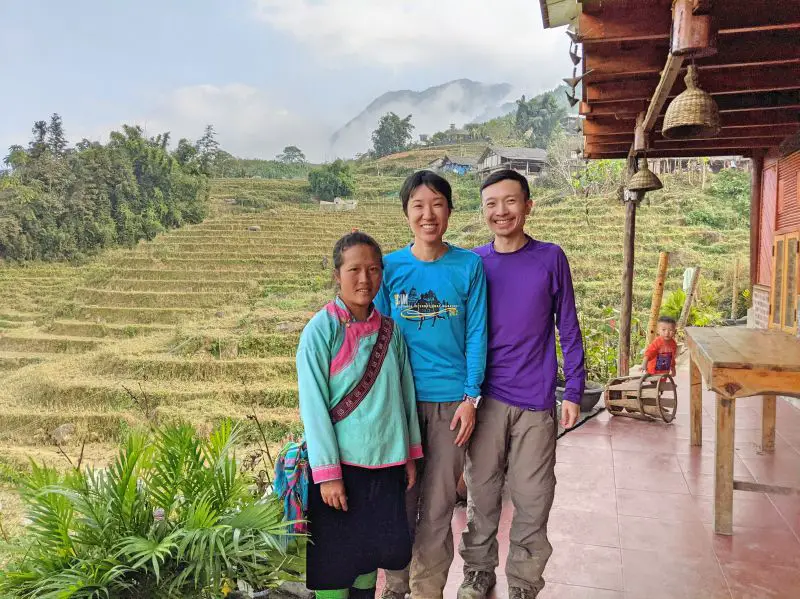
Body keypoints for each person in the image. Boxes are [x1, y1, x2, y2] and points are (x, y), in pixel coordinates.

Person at [457, 170, 585, 599]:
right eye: (491, 203)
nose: (501, 211)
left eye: (510, 201)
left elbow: (567, 325)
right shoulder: (473, 263)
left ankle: (525, 582)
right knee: (482, 490)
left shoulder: (551, 258)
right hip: (485, 400)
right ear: (483, 210)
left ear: (528, 205)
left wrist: (573, 390)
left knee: (534, 496)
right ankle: (478, 571)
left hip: (535, 400)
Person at [375, 170, 488, 599]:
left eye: (437, 204)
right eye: (418, 205)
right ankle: (396, 585)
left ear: (450, 211)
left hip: (449, 406)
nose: (428, 214)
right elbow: (380, 339)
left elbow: (477, 332)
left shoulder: (468, 265)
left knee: (439, 506)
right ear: (406, 213)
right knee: (400, 502)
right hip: (401, 406)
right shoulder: (390, 267)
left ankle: (427, 590)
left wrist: (470, 396)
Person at [297, 232, 423, 599]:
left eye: (372, 269)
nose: (364, 279)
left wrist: (410, 455)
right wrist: (328, 475)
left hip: (386, 467)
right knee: (335, 565)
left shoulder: (390, 331)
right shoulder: (320, 331)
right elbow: (314, 409)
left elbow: (404, 396)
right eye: (354, 269)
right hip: (341, 471)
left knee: (370, 557)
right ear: (337, 274)